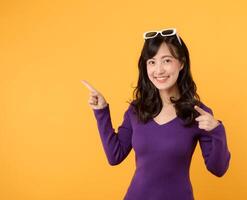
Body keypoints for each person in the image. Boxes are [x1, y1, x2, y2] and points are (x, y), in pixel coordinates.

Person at [82, 28, 231, 200]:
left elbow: (218, 169)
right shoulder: (137, 110)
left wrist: (218, 131)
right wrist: (101, 112)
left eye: (166, 60)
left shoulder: (198, 113)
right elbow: (115, 156)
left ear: (181, 63)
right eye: (151, 62)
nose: (158, 70)